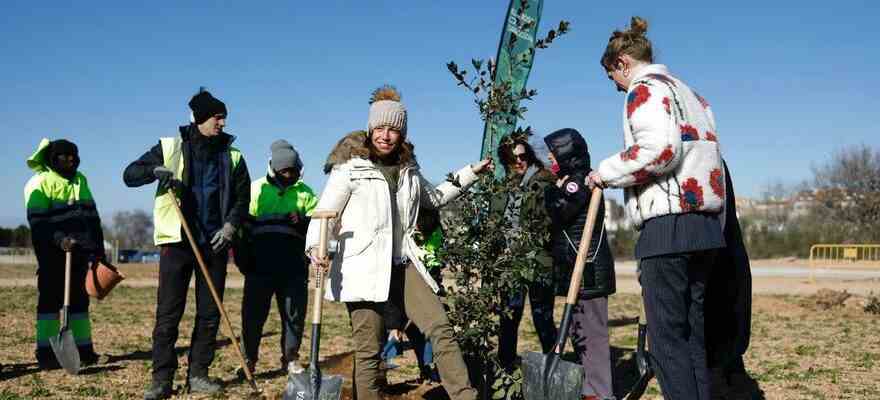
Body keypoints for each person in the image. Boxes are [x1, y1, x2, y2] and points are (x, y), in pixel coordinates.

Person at [306, 85, 492, 400]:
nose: (386, 136)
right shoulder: (350, 168)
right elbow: (325, 214)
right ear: (370, 129)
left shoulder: (408, 169)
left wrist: (470, 173)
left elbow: (434, 197)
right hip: (363, 266)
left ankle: (464, 396)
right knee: (370, 351)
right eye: (380, 128)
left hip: (402, 264)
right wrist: (316, 248)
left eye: (393, 130)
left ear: (402, 134)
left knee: (441, 329)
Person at [587, 17, 726, 400]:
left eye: (611, 77)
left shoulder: (644, 90)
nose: (616, 87)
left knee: (666, 343)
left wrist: (605, 172)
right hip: (705, 227)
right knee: (691, 336)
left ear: (622, 63)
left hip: (668, 225)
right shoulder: (693, 96)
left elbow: (659, 151)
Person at [123, 88, 251, 400]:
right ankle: (161, 379)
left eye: (223, 118)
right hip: (178, 242)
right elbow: (130, 174)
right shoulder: (170, 147)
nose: (221, 123)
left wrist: (231, 226)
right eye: (216, 118)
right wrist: (154, 171)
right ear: (198, 118)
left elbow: (242, 197)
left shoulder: (233, 155)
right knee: (168, 313)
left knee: (209, 313)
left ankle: (199, 374)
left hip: (214, 245)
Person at [543, 129, 616, 400]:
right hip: (574, 269)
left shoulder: (578, 182)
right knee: (579, 334)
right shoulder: (568, 180)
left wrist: (550, 191)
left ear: (566, 154)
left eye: (553, 154)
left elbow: (559, 209)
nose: (549, 159)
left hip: (588, 269)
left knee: (592, 336)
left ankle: (602, 393)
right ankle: (590, 390)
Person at [25, 138, 106, 369]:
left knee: (80, 304)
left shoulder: (81, 180)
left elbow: (92, 217)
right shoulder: (42, 182)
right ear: (53, 158)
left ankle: (84, 351)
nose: (70, 160)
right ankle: (46, 353)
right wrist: (60, 240)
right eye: (64, 156)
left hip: (80, 254)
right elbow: (38, 221)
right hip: (52, 254)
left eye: (73, 156)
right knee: (49, 304)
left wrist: (97, 249)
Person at [240, 139, 317, 376]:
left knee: (294, 315)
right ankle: (248, 360)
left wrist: (304, 221)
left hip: (294, 267)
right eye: (284, 171)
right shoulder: (255, 190)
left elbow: (320, 226)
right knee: (253, 316)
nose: (289, 175)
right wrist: (245, 261)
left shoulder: (305, 192)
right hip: (259, 267)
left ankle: (291, 358)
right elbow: (243, 229)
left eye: (293, 171)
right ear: (274, 168)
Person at [491, 137, 558, 369]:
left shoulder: (544, 182)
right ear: (505, 159)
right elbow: (494, 223)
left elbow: (550, 221)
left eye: (523, 156)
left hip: (538, 260)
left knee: (543, 318)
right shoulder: (501, 189)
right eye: (513, 157)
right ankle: (506, 365)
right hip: (510, 264)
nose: (519, 161)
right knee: (508, 318)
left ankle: (553, 367)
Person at [705, 160, 754, 398]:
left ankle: (724, 381)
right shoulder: (715, 160)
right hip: (726, 253)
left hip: (716, 255)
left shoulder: (710, 163)